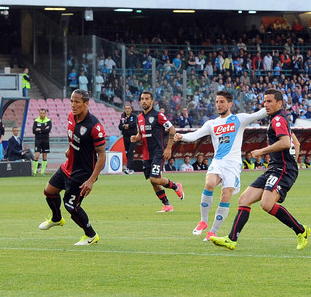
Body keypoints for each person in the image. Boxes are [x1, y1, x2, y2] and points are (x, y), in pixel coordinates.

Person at [210, 88, 309, 250]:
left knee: (266, 204)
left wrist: (262, 152)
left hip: (282, 169)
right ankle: (231, 239)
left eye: (270, 101)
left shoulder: (278, 120)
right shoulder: (279, 119)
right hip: (276, 168)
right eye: (264, 101)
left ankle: (301, 230)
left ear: (279, 103)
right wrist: (292, 161)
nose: (266, 104)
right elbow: (295, 143)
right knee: (244, 199)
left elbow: (285, 143)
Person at [175, 90, 267, 241]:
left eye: (222, 102)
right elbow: (195, 135)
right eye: (217, 102)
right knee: (209, 183)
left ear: (230, 104)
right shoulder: (212, 123)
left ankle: (213, 231)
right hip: (218, 161)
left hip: (233, 165)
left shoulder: (239, 119)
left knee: (225, 195)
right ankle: (203, 221)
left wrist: (273, 105)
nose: (219, 104)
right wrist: (182, 136)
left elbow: (258, 114)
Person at [38, 89, 106, 246]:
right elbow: (74, 138)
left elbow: (102, 155)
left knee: (71, 205)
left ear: (86, 103)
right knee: (49, 191)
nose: (73, 105)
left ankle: (91, 235)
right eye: (71, 101)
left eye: (77, 102)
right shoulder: (70, 117)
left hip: (83, 173)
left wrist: (92, 180)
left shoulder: (94, 126)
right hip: (68, 167)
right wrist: (70, 149)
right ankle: (56, 219)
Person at [131, 91, 184, 212]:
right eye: (142, 99)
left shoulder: (158, 115)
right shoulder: (139, 118)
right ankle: (167, 205)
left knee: (154, 178)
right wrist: (136, 137)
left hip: (158, 152)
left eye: (146, 99)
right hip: (146, 154)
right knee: (153, 181)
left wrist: (169, 148)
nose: (144, 101)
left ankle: (176, 186)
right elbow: (141, 134)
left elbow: (172, 129)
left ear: (152, 101)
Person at [118, 104, 138, 174]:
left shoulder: (134, 116)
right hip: (125, 136)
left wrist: (128, 125)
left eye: (128, 108)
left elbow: (134, 124)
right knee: (127, 152)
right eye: (126, 108)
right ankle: (130, 168)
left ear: (131, 109)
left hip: (132, 136)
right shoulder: (123, 116)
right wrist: (124, 126)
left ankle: (128, 168)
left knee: (130, 152)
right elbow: (120, 126)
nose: (127, 110)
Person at [32, 108, 52, 176]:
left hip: (45, 140)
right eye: (40, 113)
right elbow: (34, 131)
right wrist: (44, 129)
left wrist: (39, 130)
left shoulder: (48, 121)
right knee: (36, 156)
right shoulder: (36, 121)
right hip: (38, 141)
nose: (42, 114)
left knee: (44, 155)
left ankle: (42, 172)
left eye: (43, 113)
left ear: (45, 113)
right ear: (39, 113)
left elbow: (48, 130)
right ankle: (34, 172)